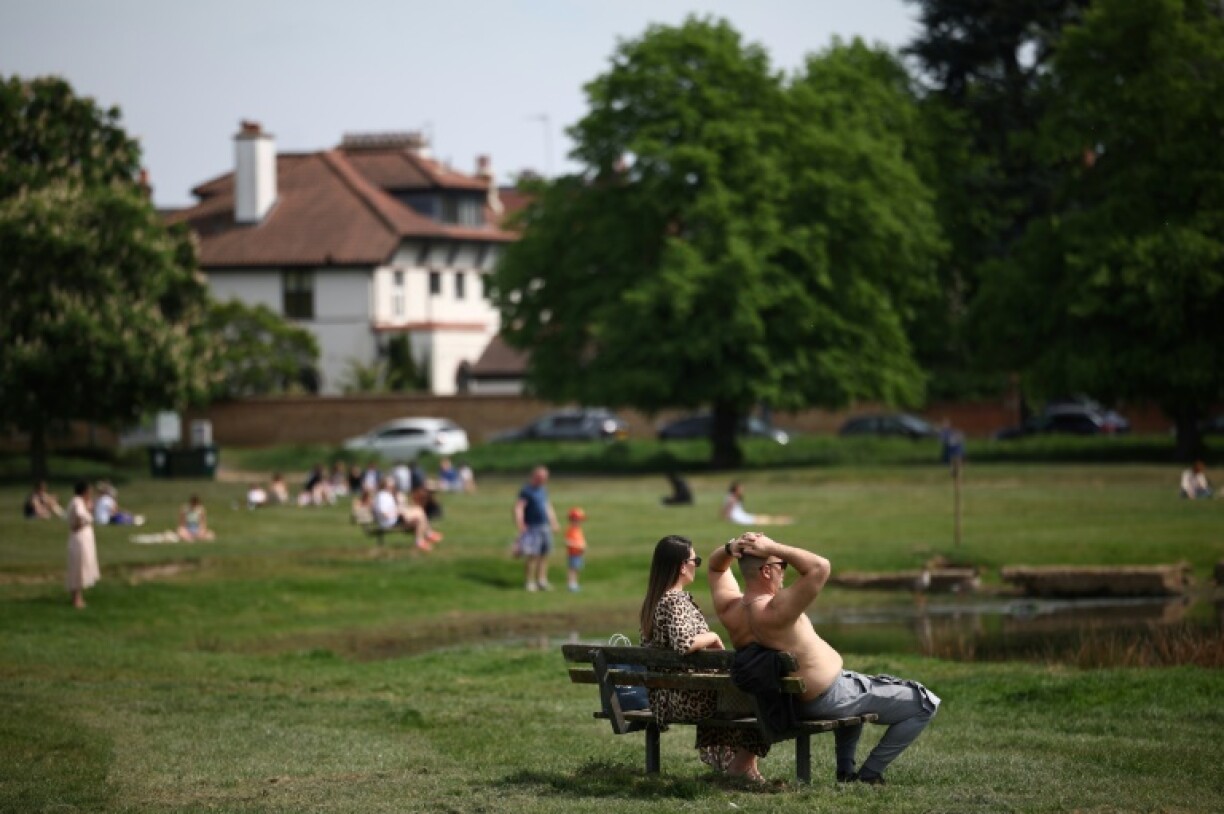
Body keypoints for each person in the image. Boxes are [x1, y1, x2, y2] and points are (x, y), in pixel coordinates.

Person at [709, 532, 940, 785]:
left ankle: (845, 771)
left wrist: (731, 548)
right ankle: (870, 774)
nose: (784, 572)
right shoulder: (776, 609)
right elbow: (820, 567)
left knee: (856, 687)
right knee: (924, 703)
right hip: (827, 698)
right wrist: (773, 547)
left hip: (792, 701)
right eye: (781, 566)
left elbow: (715, 568)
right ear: (766, 571)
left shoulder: (731, 610)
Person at [640, 535, 769, 781]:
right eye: (694, 560)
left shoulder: (654, 600)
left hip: (665, 697)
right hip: (685, 699)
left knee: (745, 691)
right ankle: (741, 767)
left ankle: (744, 768)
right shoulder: (674, 600)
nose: (696, 565)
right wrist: (711, 637)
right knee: (763, 693)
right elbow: (684, 643)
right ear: (681, 566)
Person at [514, 465, 559, 591]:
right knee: (532, 555)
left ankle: (542, 580)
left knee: (544, 555)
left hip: (545, 526)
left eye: (546, 477)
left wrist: (554, 522)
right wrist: (520, 523)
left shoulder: (543, 490)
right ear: (535, 476)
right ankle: (529, 581)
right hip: (532, 527)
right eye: (542, 477)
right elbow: (519, 507)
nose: (544, 479)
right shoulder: (526, 490)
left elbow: (547, 506)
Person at [372, 476, 442, 551]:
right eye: (391, 482)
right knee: (419, 515)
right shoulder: (382, 496)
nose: (393, 484)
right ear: (386, 484)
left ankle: (423, 539)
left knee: (419, 511)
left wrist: (401, 503)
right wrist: (399, 511)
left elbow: (393, 508)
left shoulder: (387, 494)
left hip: (395, 519)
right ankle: (426, 536)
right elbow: (385, 514)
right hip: (389, 522)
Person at [65, 481, 100, 609]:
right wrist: (80, 524)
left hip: (84, 538)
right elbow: (79, 517)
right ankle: (76, 599)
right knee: (78, 567)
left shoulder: (82, 502)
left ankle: (79, 597)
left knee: (83, 565)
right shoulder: (77, 501)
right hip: (79, 538)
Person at [721, 482, 793, 525]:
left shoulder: (731, 496)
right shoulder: (732, 498)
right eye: (740, 489)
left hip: (741, 516)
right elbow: (727, 510)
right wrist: (727, 519)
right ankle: (783, 521)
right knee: (761, 520)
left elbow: (724, 509)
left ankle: (783, 520)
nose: (742, 490)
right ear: (735, 489)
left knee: (761, 517)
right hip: (739, 518)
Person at [565, 507, 587, 592]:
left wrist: (583, 545)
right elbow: (568, 542)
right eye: (577, 520)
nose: (579, 522)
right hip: (573, 554)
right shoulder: (571, 530)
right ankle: (571, 584)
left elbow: (581, 539)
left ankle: (575, 583)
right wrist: (577, 545)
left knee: (577, 569)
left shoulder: (578, 530)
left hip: (579, 554)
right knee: (572, 569)